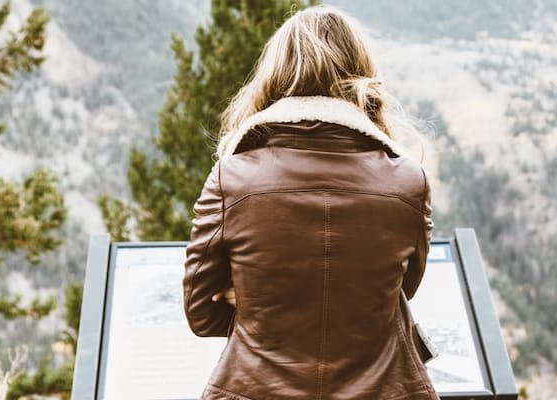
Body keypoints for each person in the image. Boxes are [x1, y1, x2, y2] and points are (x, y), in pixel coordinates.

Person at [183, 5, 436, 399]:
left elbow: (201, 312)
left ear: (275, 78)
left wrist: (259, 305)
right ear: (363, 76)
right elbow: (403, 287)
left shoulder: (231, 178)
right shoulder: (408, 183)